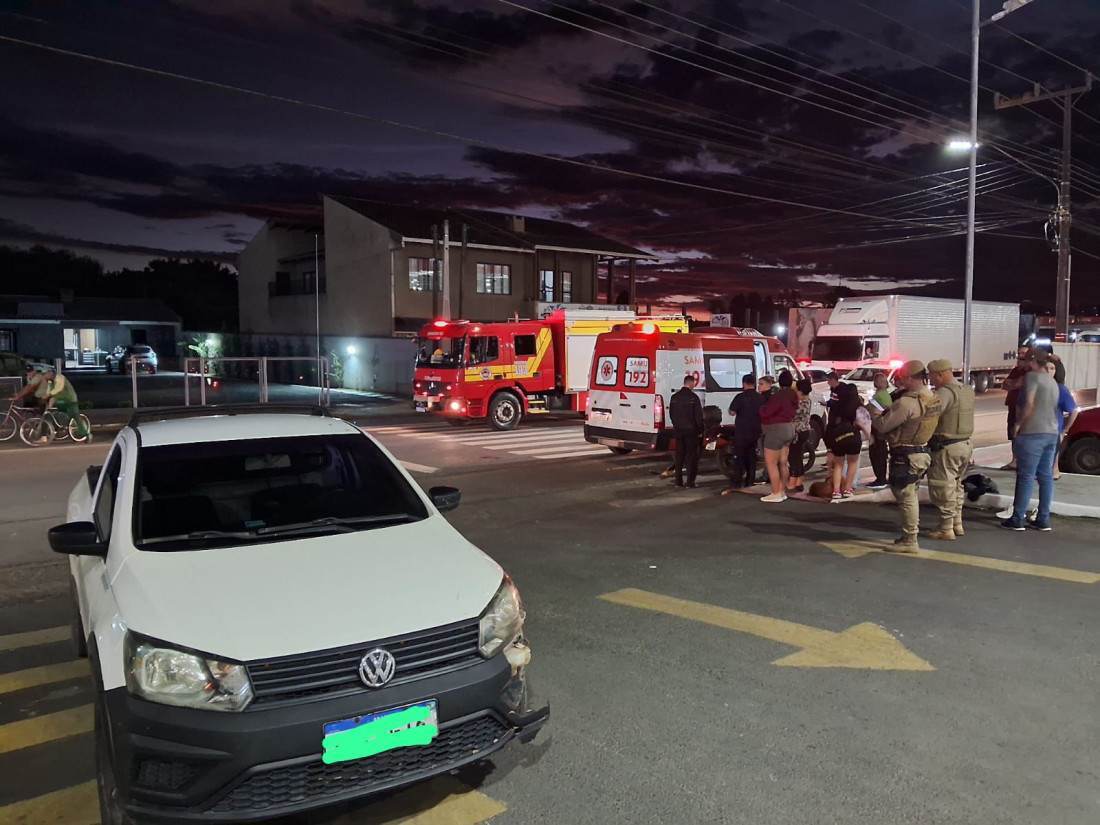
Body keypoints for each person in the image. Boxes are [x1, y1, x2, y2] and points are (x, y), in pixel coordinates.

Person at [871, 360, 943, 552]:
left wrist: (874, 413)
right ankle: (908, 536)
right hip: (921, 452)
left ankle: (910, 539)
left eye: (903, 378)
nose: (901, 382)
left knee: (906, 496)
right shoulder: (932, 398)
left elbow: (883, 426)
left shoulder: (907, 403)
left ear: (911, 378)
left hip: (905, 454)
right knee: (910, 495)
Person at [1002, 351, 1060, 531]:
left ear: (1033, 361)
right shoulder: (1052, 381)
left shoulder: (1032, 377)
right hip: (1052, 433)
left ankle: (1018, 518)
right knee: (1045, 477)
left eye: (1027, 360)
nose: (1025, 364)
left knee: (1026, 477)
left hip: (1033, 433)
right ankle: (1043, 518)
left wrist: (1018, 424)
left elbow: (1029, 403)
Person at [925, 359, 975, 541]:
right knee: (956, 486)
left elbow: (930, 416)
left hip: (947, 447)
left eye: (931, 375)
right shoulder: (966, 390)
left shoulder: (944, 393)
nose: (930, 379)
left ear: (939, 374)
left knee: (943, 487)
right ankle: (957, 523)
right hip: (965, 445)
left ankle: (945, 528)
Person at [758, 371, 798, 503]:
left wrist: (761, 409)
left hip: (776, 429)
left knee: (771, 463)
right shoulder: (793, 395)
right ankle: (782, 491)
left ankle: (775, 492)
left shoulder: (779, 396)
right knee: (783, 462)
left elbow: (767, 412)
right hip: (790, 427)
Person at [724, 373, 763, 492]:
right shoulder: (760, 398)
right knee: (751, 458)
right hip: (755, 431)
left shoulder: (740, 397)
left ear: (744, 383)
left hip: (742, 432)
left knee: (739, 458)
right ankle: (750, 482)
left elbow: (732, 412)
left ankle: (737, 482)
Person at [825, 382, 862, 502]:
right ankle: (847, 489)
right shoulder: (858, 405)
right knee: (852, 463)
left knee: (839, 464)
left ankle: (836, 491)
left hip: (838, 434)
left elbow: (831, 422)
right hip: (853, 434)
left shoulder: (838, 404)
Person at [668, 374, 704, 488]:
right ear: (691, 383)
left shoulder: (674, 397)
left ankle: (678, 481)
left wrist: (676, 425)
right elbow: (698, 416)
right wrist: (700, 430)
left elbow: (672, 414)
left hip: (678, 430)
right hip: (691, 431)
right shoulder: (694, 398)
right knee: (691, 457)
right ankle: (690, 482)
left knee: (679, 457)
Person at [1000, 348, 1031, 470]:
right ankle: (1014, 461)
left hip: (1023, 407)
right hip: (1012, 405)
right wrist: (1012, 383)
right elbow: (1005, 385)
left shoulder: (1029, 372)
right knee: (1013, 433)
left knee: (1023, 433)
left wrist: (1013, 383)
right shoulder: (1015, 371)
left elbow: (1016, 384)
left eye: (1022, 355)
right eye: (1018, 355)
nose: (1019, 358)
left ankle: (1023, 461)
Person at [1049, 360, 1078, 481]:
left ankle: (1054, 472)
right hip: (1040, 428)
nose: (1048, 372)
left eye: (1052, 368)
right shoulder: (1037, 386)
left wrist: (1065, 429)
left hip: (1055, 429)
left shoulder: (1060, 389)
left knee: (1052, 456)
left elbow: (1073, 410)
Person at [44, 367, 89, 439]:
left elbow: (58, 389)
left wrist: (48, 395)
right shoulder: (50, 381)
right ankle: (56, 429)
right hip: (60, 400)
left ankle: (86, 434)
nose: (45, 375)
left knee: (75, 415)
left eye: (46, 374)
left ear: (51, 373)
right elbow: (48, 391)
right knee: (52, 413)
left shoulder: (60, 378)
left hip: (70, 400)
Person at [866, 373, 893, 489]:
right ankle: (880, 477)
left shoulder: (881, 396)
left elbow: (876, 410)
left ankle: (880, 478)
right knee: (879, 452)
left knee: (877, 453)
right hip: (879, 427)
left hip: (878, 427)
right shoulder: (884, 394)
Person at [787, 378, 813, 493]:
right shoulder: (808, 400)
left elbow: (792, 415)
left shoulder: (801, 402)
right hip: (805, 430)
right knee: (798, 456)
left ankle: (792, 483)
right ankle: (799, 482)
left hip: (797, 431)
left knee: (793, 457)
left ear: (800, 390)